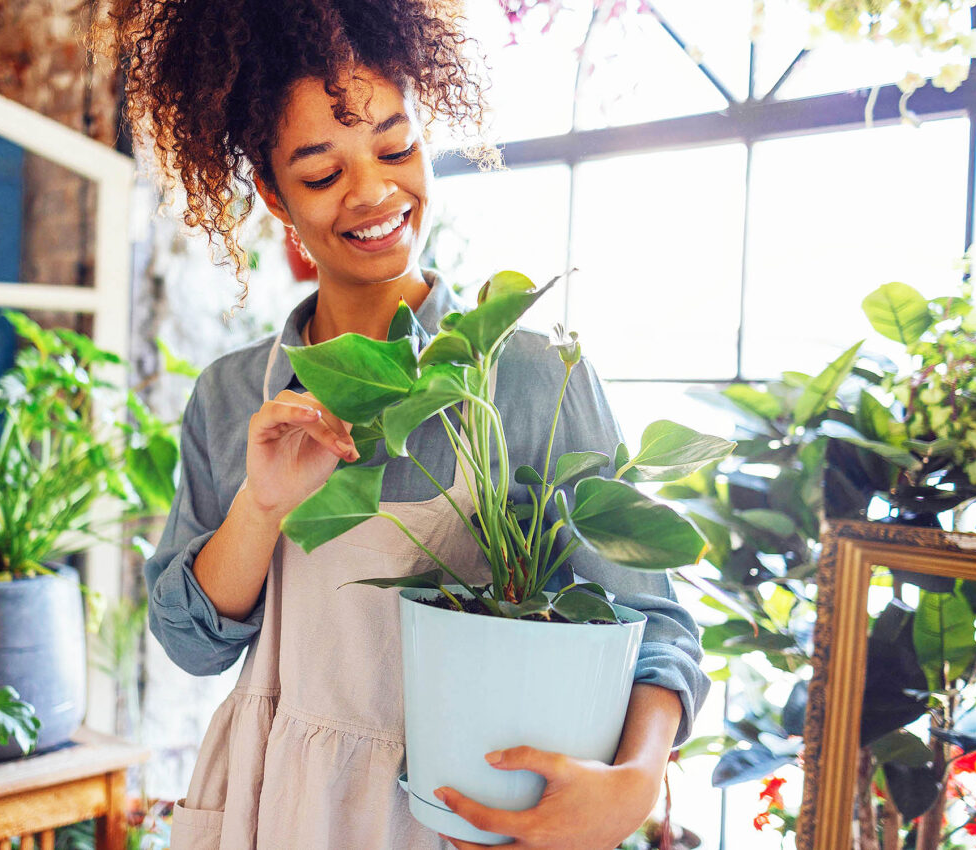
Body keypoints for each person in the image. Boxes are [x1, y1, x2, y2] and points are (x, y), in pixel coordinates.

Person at [118, 1, 710, 847]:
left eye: (397, 148)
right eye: (322, 174)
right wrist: (260, 507)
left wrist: (634, 781)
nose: (374, 192)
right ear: (274, 195)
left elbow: (655, 628)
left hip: (470, 808)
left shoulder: (532, 373)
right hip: (276, 798)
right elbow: (192, 644)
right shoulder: (231, 394)